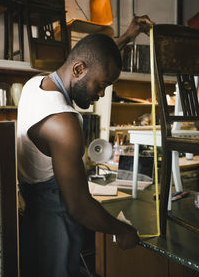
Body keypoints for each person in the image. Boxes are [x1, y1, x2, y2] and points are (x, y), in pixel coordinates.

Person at [17, 15, 153, 277]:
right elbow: (78, 205)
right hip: (55, 224)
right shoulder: (64, 123)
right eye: (101, 85)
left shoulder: (34, 85)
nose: (101, 94)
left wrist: (126, 37)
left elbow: (94, 56)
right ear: (78, 70)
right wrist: (122, 230)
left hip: (33, 219)